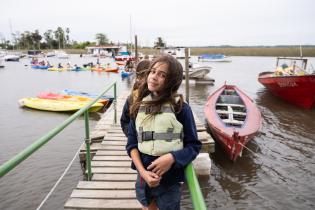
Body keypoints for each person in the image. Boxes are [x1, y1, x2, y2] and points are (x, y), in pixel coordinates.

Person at [124, 55, 201, 210]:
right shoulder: (139, 105)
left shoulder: (181, 109)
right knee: (147, 205)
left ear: (172, 80)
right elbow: (132, 142)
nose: (154, 77)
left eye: (162, 75)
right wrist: (143, 173)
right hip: (143, 178)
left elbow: (194, 146)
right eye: (153, 71)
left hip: (169, 182)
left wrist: (172, 157)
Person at [120, 59, 151, 136]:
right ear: (138, 77)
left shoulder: (162, 95)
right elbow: (124, 121)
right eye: (144, 75)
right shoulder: (131, 98)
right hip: (137, 141)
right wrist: (132, 135)